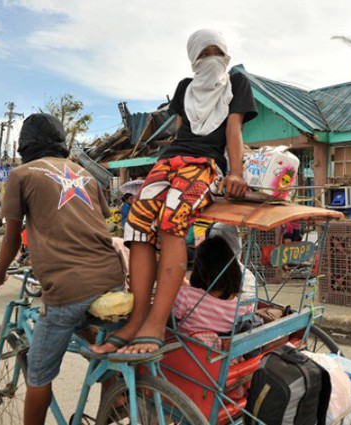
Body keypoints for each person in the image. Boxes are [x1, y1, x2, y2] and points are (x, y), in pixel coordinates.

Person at [91, 28, 257, 356]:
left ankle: (156, 320)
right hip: (171, 159)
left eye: (216, 52)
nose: (210, 59)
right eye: (203, 53)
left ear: (226, 56)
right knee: (136, 223)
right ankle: (136, 319)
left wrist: (235, 171)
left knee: (172, 219)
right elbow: (181, 131)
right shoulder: (185, 87)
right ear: (193, 59)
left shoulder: (237, 83)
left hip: (207, 163)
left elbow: (233, 128)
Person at [0, 113, 124, 425]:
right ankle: (112, 400)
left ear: (25, 146)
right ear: (61, 143)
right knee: (91, 334)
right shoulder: (83, 173)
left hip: (68, 286)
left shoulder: (22, 175)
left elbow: (11, 237)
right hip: (113, 279)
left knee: (38, 374)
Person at [173, 235, 251, 334]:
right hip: (223, 346)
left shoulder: (186, 296)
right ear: (233, 268)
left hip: (187, 346)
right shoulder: (244, 304)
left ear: (199, 269)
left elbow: (169, 320)